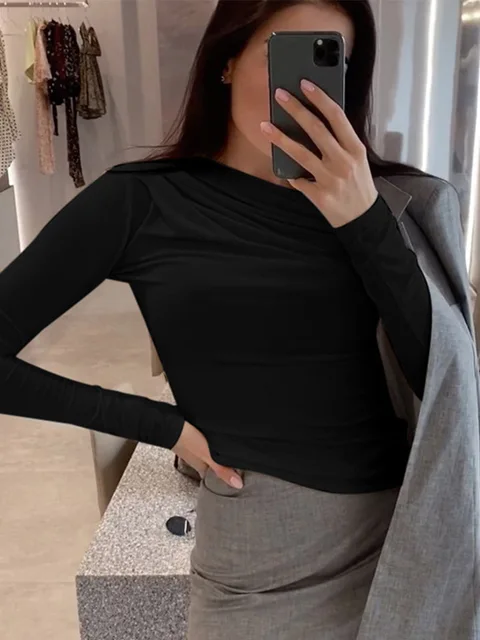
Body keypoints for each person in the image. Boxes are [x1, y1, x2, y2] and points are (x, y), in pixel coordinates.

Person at [0, 0, 457, 638]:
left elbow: (439, 381)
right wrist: (160, 427)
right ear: (227, 60)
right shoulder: (141, 201)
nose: (302, 90)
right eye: (283, 55)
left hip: (404, 545)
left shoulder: (389, 205)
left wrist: (363, 220)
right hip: (256, 559)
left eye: (330, 62)